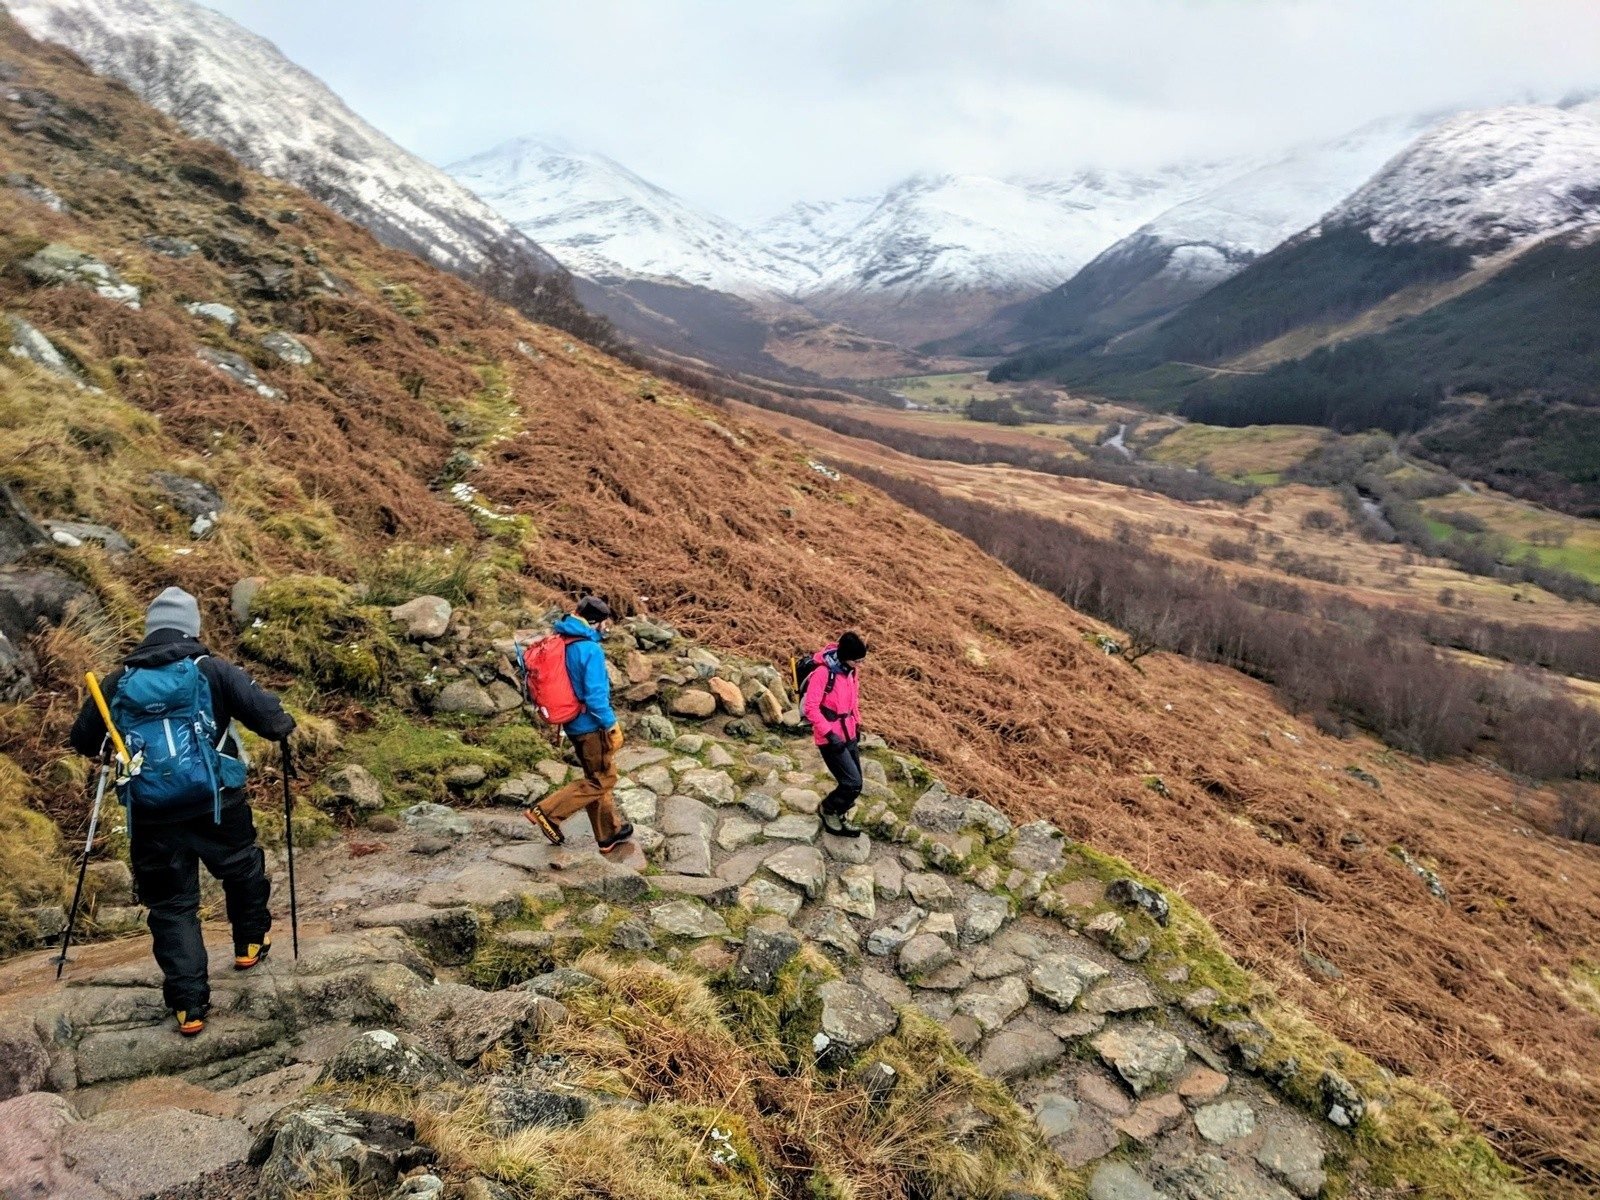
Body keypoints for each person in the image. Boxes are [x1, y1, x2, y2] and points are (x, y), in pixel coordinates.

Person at [69, 586, 296, 1037]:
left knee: (172, 906)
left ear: (151, 629)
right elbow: (273, 720)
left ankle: (189, 1007)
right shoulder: (211, 671)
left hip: (151, 814)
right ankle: (250, 942)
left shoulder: (117, 682)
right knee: (241, 866)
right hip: (216, 803)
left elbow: (82, 740)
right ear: (193, 627)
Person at [524, 595, 634, 854]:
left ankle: (608, 834)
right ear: (596, 622)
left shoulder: (562, 639)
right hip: (591, 726)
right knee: (603, 780)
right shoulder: (590, 649)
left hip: (572, 723)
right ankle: (547, 812)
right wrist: (611, 725)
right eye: (604, 623)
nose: (606, 628)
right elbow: (595, 696)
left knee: (594, 777)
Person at [803, 631, 868, 837]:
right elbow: (811, 708)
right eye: (857, 660)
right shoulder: (824, 673)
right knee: (852, 783)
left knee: (856, 784)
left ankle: (839, 813)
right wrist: (830, 734)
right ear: (846, 656)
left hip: (848, 732)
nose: (860, 665)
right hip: (830, 737)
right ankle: (829, 809)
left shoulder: (851, 671)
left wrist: (857, 724)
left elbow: (853, 701)